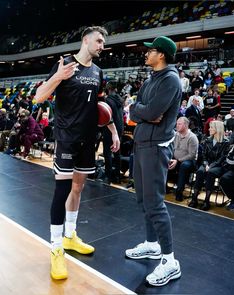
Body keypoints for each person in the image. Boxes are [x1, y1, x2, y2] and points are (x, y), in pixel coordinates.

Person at [35, 26, 120, 280]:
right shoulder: (65, 64)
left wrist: (114, 131)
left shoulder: (98, 71)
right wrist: (57, 77)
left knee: (78, 188)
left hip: (87, 140)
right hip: (66, 138)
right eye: (99, 40)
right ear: (85, 40)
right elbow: (39, 97)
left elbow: (100, 107)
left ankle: (70, 235)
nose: (102, 45)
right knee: (61, 190)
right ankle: (56, 247)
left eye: (104, 42)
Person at [125, 36, 182, 287]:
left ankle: (170, 261)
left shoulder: (170, 80)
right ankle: (151, 244)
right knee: (143, 199)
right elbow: (136, 109)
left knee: (155, 204)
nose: (146, 54)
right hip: (141, 144)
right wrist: (139, 112)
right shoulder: (151, 79)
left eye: (151, 51)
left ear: (162, 55)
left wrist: (140, 112)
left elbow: (148, 112)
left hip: (155, 148)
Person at [188, 120, 230, 211]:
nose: (209, 129)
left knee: (210, 173)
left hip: (219, 166)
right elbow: (203, 155)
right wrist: (206, 164)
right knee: (200, 171)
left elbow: (222, 159)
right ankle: (194, 198)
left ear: (217, 129)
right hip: (207, 163)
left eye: (211, 127)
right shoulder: (207, 140)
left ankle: (206, 201)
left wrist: (210, 166)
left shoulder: (226, 142)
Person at [168, 117, 199, 201]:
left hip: (189, 162)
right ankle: (163, 187)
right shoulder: (176, 134)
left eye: (179, 124)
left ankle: (179, 192)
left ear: (185, 125)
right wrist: (170, 158)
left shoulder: (192, 137)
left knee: (184, 166)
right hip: (176, 159)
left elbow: (192, 155)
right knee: (164, 160)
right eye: (177, 123)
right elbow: (171, 148)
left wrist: (177, 161)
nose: (176, 125)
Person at [102, 80, 124, 184]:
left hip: (110, 128)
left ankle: (108, 177)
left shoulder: (108, 100)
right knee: (117, 153)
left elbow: (107, 117)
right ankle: (118, 177)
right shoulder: (121, 100)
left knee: (108, 152)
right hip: (120, 128)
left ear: (108, 89)